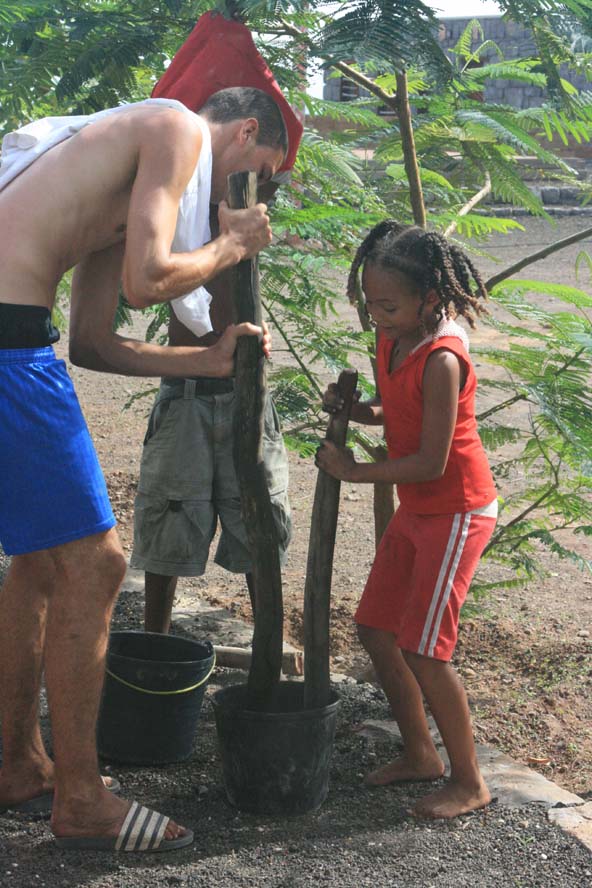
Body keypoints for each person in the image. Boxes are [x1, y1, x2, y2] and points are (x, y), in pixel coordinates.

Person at [0, 86, 287, 851]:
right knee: (97, 567)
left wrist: (206, 357)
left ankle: (18, 765)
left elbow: (94, 342)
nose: (260, 194)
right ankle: (83, 800)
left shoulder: (114, 157)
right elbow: (149, 279)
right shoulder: (172, 126)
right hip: (4, 339)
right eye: (263, 172)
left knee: (39, 560)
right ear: (246, 131)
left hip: (14, 329)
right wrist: (234, 244)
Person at [317, 221, 498, 820]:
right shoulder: (392, 338)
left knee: (426, 649)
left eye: (388, 306)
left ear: (430, 299)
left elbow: (430, 459)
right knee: (374, 628)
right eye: (369, 304)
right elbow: (395, 411)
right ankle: (422, 754)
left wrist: (351, 472)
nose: (376, 316)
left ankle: (471, 782)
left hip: (456, 511)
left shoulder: (442, 358)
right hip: (420, 508)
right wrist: (354, 410)